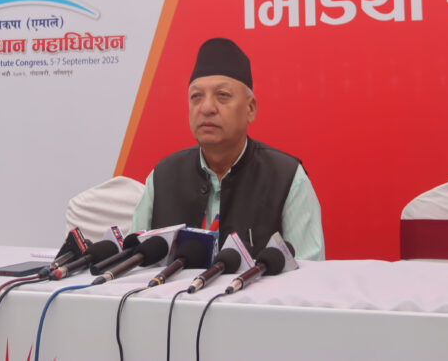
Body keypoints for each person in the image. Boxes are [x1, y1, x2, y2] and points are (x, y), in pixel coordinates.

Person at [130, 38, 324, 260]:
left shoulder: (286, 178)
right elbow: (133, 262)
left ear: (250, 109)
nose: (207, 108)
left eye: (222, 95)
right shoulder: (162, 176)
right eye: (196, 97)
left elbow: (309, 273)